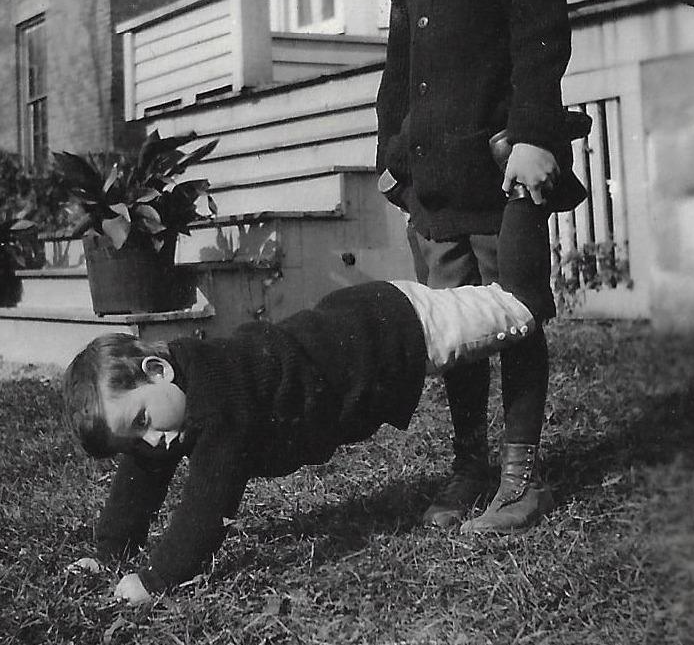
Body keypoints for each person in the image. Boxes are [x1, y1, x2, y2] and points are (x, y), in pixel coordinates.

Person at [64, 201, 555, 606]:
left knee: (519, 309)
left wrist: (155, 580)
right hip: (365, 331)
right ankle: (474, 467)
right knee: (499, 312)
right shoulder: (167, 405)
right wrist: (111, 550)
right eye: (139, 437)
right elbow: (141, 473)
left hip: (393, 330)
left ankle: (521, 193)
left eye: (144, 422)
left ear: (157, 370)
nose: (154, 442)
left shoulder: (219, 402)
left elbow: (205, 508)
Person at [355, 0, 588, 535]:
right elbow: (399, 68)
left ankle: (519, 477)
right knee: (455, 330)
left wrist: (533, 136)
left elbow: (538, 43)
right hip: (432, 179)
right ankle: (468, 464)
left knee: (512, 318)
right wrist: (390, 151)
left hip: (501, 174)